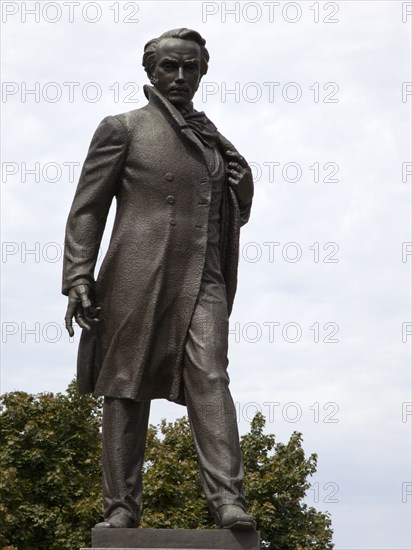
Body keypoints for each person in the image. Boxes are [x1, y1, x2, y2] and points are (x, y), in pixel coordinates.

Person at [63, 28, 255, 531]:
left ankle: (228, 500)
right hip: (136, 273)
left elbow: (228, 213)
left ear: (202, 72)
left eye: (190, 67)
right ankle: (121, 507)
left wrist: (244, 189)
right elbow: (87, 209)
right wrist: (78, 274)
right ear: (151, 71)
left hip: (202, 278)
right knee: (125, 387)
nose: (180, 76)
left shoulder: (215, 141)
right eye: (170, 66)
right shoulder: (122, 128)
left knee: (211, 377)